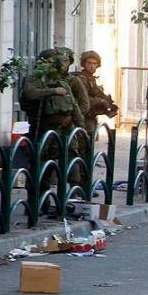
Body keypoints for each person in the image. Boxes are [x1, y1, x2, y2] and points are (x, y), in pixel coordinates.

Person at [21, 48, 85, 213]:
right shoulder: (36, 78)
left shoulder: (64, 82)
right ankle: (38, 204)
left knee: (71, 165)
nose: (55, 65)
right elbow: (30, 94)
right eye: (50, 61)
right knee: (41, 168)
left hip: (65, 130)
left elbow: (76, 105)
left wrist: (79, 126)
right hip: (43, 128)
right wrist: (52, 91)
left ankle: (69, 202)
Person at [70, 51, 118, 135]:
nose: (92, 66)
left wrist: (108, 103)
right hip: (83, 116)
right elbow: (84, 99)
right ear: (84, 64)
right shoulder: (81, 79)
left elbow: (97, 93)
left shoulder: (91, 78)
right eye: (89, 63)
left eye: (94, 63)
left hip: (91, 116)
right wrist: (101, 102)